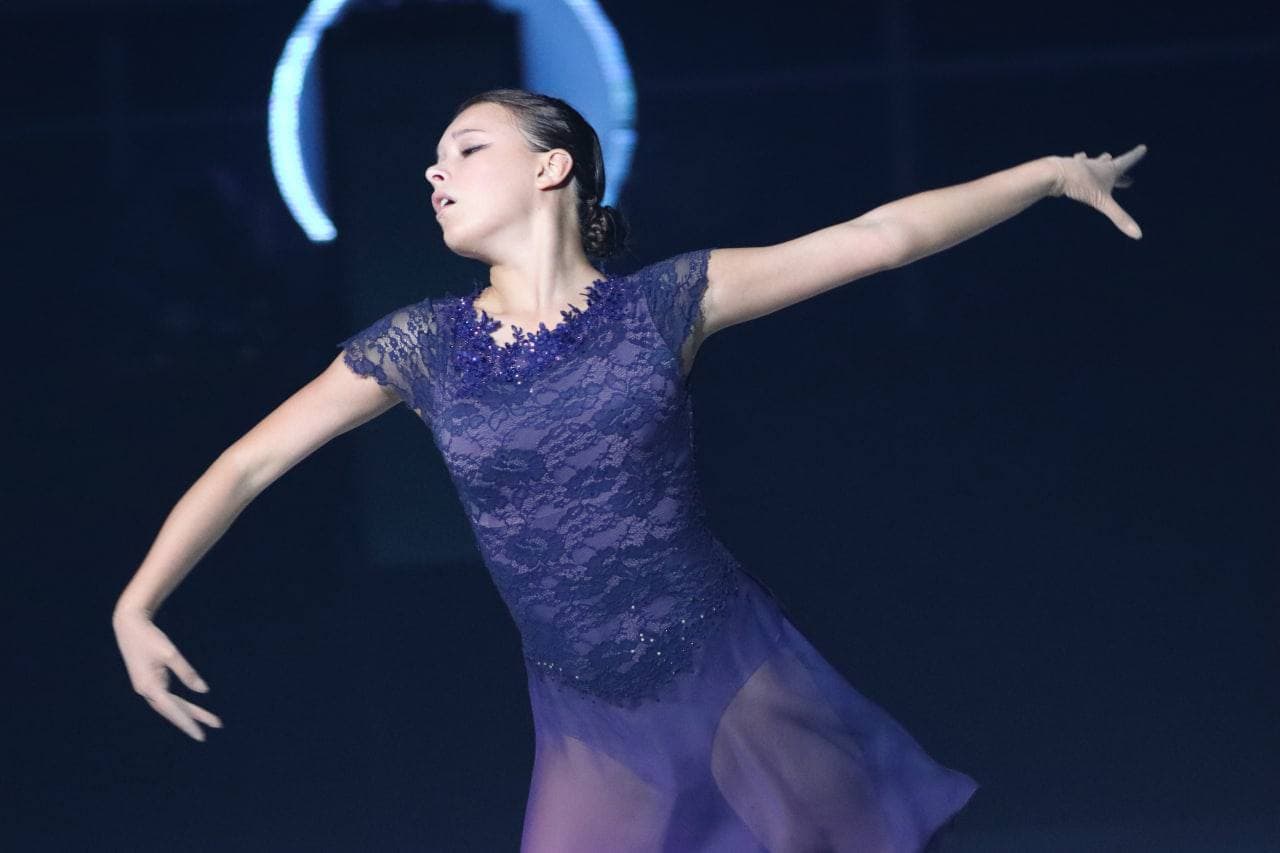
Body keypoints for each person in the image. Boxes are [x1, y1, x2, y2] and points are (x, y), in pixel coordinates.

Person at [113, 87, 1145, 851]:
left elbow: (880, 238)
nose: (433, 172)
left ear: (550, 166)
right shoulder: (420, 344)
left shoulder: (665, 303)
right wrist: (137, 604)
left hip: (733, 671)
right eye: (431, 160)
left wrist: (1050, 174)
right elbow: (249, 462)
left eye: (464, 149)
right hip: (588, 716)